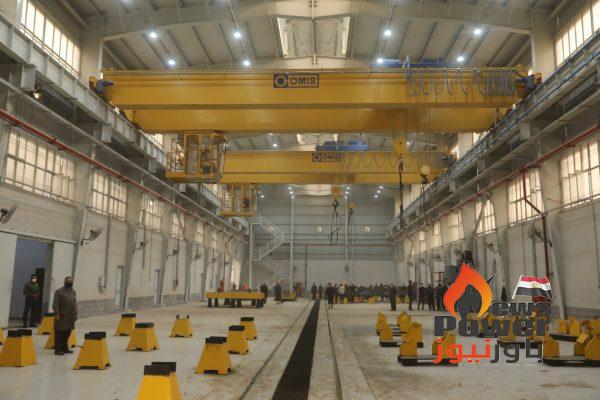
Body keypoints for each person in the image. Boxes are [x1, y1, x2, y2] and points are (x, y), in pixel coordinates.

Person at [52, 276, 77, 356]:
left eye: (71, 281)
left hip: (70, 316)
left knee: (67, 333)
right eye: (68, 281)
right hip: (61, 316)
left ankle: (65, 348)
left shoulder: (73, 292)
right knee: (59, 333)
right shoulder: (59, 292)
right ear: (64, 282)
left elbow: (74, 304)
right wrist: (56, 313)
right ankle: (58, 349)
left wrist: (75, 314)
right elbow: (55, 304)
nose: (69, 282)